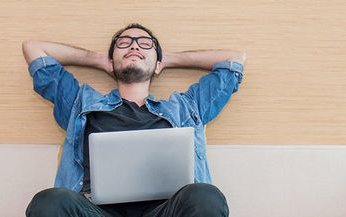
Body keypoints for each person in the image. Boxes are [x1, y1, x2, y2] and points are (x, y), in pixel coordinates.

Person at [22, 23, 246, 217]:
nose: (135, 46)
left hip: (166, 211)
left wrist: (165, 60)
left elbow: (234, 60)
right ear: (111, 60)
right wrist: (102, 61)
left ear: (158, 63)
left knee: (205, 196)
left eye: (145, 43)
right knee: (49, 201)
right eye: (124, 43)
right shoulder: (79, 102)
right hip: (95, 211)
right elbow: (34, 49)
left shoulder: (186, 107)